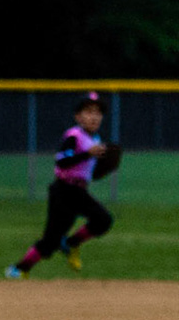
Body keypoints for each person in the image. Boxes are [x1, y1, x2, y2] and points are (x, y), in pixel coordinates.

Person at [6, 91, 115, 278]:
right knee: (50, 241)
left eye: (98, 113)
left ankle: (71, 243)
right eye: (88, 112)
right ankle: (20, 268)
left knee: (103, 220)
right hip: (63, 191)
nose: (94, 116)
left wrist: (103, 165)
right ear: (78, 117)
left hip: (79, 191)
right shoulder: (74, 135)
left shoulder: (95, 141)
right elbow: (62, 161)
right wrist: (88, 154)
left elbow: (89, 170)